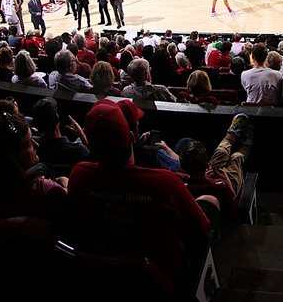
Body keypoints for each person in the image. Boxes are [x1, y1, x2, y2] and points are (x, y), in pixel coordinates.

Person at [64, 101, 216, 287]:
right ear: (131, 136)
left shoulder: (79, 176)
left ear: (90, 145)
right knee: (210, 201)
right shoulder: (166, 182)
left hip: (98, 280)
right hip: (162, 285)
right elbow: (202, 230)